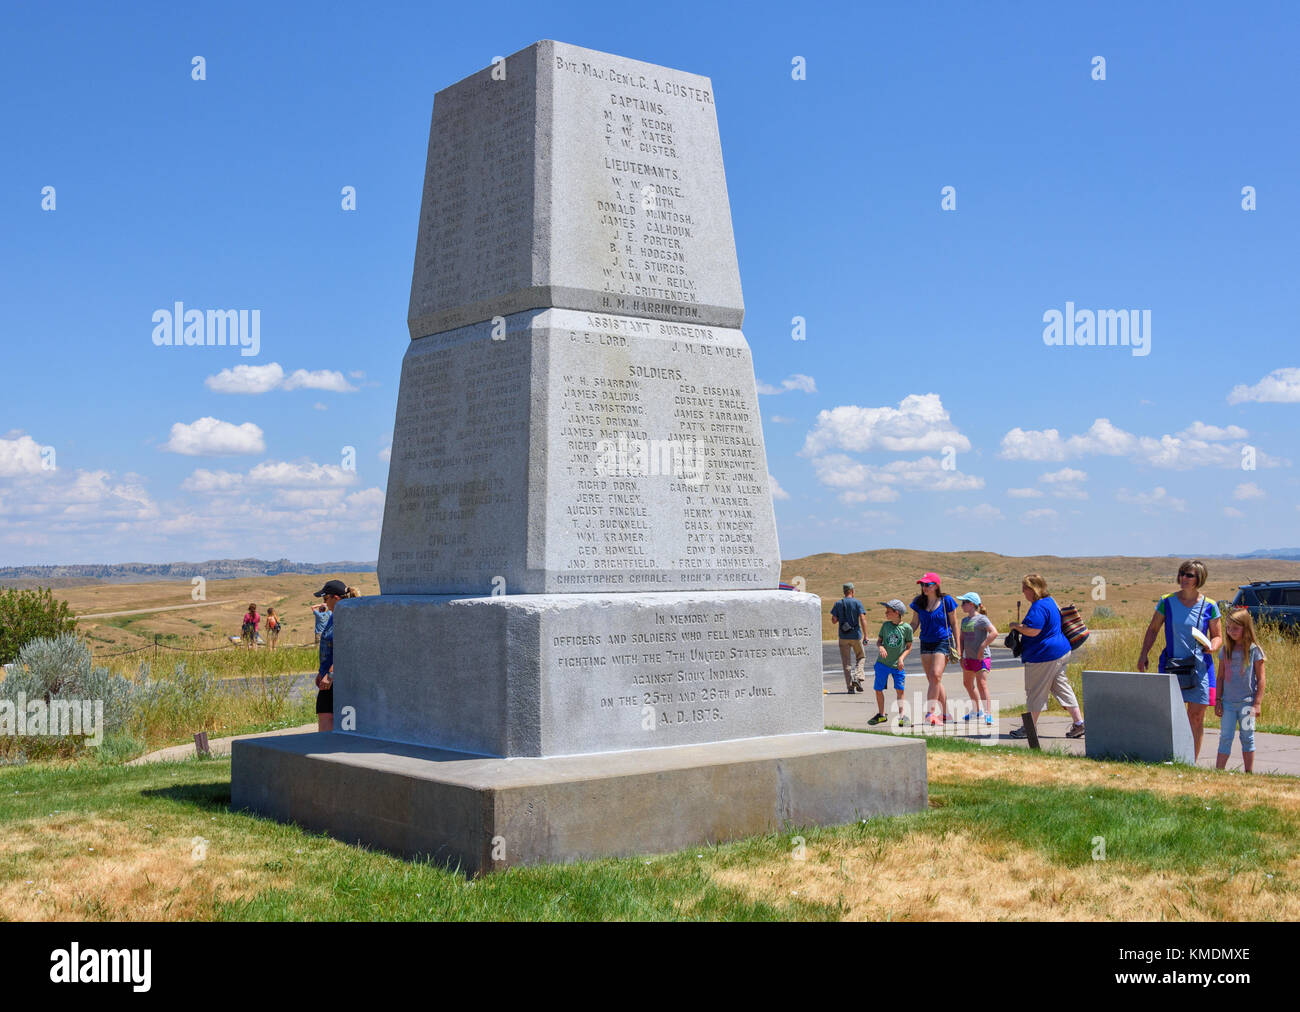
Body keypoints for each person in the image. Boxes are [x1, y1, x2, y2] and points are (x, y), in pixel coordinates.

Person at [1137, 559, 1222, 760]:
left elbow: (1217, 636)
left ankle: (1190, 761)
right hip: (1172, 665)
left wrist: (1213, 646)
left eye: (1189, 575)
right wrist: (1143, 654)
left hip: (1199, 667)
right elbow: (1153, 629)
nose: (1184, 578)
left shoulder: (1210, 605)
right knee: (1171, 716)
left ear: (1199, 578)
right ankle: (1170, 756)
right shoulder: (1166, 601)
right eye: (1182, 573)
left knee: (1196, 716)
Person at [1008, 574, 1085, 739]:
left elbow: (1034, 630)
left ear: (1033, 589)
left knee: (1035, 692)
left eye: (1025, 588)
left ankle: (1029, 728)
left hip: (1044, 656)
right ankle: (1079, 723)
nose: (1023, 592)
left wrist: (1016, 627)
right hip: (1061, 651)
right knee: (1061, 688)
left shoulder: (1038, 607)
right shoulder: (1051, 602)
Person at [1216, 607, 1266, 773]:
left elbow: (1261, 679)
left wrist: (1257, 704)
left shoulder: (1254, 651)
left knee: (1247, 737)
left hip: (1247, 704)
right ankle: (1219, 771)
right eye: (1228, 628)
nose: (1231, 632)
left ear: (1246, 628)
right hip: (1228, 704)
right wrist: (1218, 700)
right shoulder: (1225, 650)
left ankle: (1248, 773)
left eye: (1235, 628)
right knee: (1225, 737)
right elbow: (1221, 677)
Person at [909, 572, 959, 725]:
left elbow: (954, 624)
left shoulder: (946, 601)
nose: (924, 587)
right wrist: (904, 636)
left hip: (942, 641)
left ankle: (930, 714)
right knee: (933, 680)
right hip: (925, 642)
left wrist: (958, 645)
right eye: (922, 585)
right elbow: (914, 623)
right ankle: (946, 714)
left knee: (936, 675)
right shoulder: (918, 602)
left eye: (927, 585)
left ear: (936, 585)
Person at [870, 598, 913, 726]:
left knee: (900, 690)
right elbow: (879, 641)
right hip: (882, 664)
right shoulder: (885, 626)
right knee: (878, 689)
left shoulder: (907, 628)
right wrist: (881, 647)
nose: (886, 613)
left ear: (896, 612)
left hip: (897, 665)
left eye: (888, 611)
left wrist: (901, 658)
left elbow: (909, 647)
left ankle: (902, 717)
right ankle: (882, 715)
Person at [313, 579, 348, 732]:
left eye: (326, 598)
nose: (325, 603)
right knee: (324, 713)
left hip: (338, 677)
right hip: (328, 676)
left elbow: (345, 648)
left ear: (336, 597)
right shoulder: (333, 616)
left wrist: (331, 673)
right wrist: (321, 672)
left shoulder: (345, 617)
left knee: (335, 718)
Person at [956, 592, 997, 726]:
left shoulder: (982, 619)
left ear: (971, 604)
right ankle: (976, 710)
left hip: (981, 657)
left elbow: (994, 632)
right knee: (967, 683)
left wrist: (982, 646)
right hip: (969, 657)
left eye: (964, 603)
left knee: (982, 684)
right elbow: (961, 638)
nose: (962, 606)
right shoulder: (964, 620)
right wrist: (961, 655)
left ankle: (988, 713)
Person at [831, 583, 867, 693]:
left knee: (846, 662)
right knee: (861, 657)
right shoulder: (857, 602)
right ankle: (857, 676)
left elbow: (834, 620)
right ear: (852, 591)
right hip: (856, 635)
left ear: (844, 591)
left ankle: (850, 687)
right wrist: (866, 635)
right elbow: (862, 618)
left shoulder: (838, 603)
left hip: (843, 636)